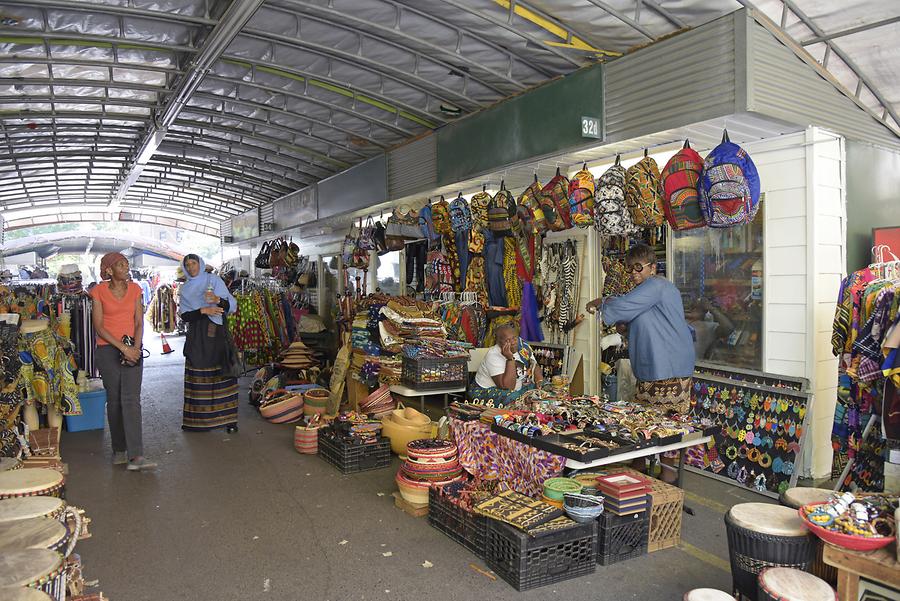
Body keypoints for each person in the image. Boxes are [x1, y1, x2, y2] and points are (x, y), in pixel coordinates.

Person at [586, 244, 695, 415]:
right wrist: (624, 328)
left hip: (667, 365)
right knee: (656, 425)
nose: (633, 272)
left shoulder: (655, 285)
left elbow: (623, 304)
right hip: (663, 364)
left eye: (639, 267)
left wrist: (600, 301)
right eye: (629, 268)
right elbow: (642, 323)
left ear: (653, 267)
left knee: (658, 424)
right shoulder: (646, 291)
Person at [90, 252, 156, 471]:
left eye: (126, 264)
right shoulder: (98, 291)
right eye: (120, 265)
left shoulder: (136, 289)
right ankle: (119, 449)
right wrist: (123, 348)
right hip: (108, 350)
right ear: (109, 270)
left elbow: (139, 321)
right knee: (115, 399)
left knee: (131, 399)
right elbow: (99, 326)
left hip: (132, 348)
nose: (126, 268)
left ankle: (136, 455)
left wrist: (135, 348)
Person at [179, 254, 239, 433]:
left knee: (223, 371)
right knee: (198, 370)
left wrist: (217, 300)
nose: (191, 267)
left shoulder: (214, 280)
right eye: (187, 265)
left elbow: (230, 306)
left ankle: (229, 421)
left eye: (194, 263)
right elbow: (184, 315)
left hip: (217, 333)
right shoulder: (185, 289)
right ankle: (198, 422)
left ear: (200, 264)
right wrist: (203, 310)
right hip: (197, 335)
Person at [470, 323, 543, 406]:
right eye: (507, 340)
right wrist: (510, 359)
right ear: (498, 342)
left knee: (546, 387)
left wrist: (539, 381)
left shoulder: (522, 346)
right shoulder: (493, 355)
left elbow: (534, 365)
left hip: (519, 388)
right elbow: (508, 387)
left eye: (514, 338)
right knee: (514, 398)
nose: (513, 342)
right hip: (486, 391)